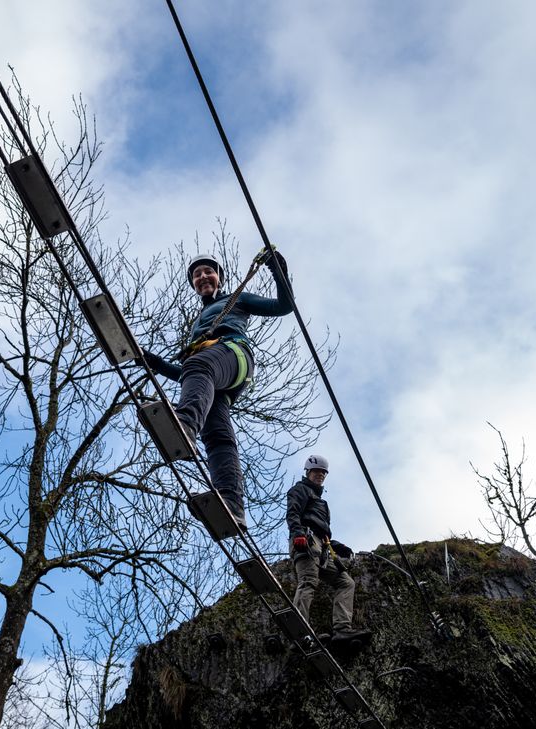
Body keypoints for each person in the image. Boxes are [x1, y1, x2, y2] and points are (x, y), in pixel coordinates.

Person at [142, 250, 292, 530]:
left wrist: (277, 271)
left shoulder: (235, 300)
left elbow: (284, 307)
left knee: (198, 365)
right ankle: (232, 503)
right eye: (197, 275)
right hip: (220, 377)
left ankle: (185, 425)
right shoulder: (199, 322)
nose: (202, 277)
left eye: (207, 271)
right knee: (217, 437)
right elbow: (194, 378)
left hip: (233, 354)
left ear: (219, 277)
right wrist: (159, 365)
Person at [286, 454, 369, 641]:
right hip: (306, 542)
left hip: (321, 548)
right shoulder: (300, 490)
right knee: (308, 582)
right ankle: (299, 632)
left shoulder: (321, 502)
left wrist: (338, 546)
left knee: (346, 582)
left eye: (323, 473)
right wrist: (298, 534)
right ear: (308, 472)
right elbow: (293, 513)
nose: (320, 475)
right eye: (316, 472)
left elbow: (322, 532)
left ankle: (342, 628)